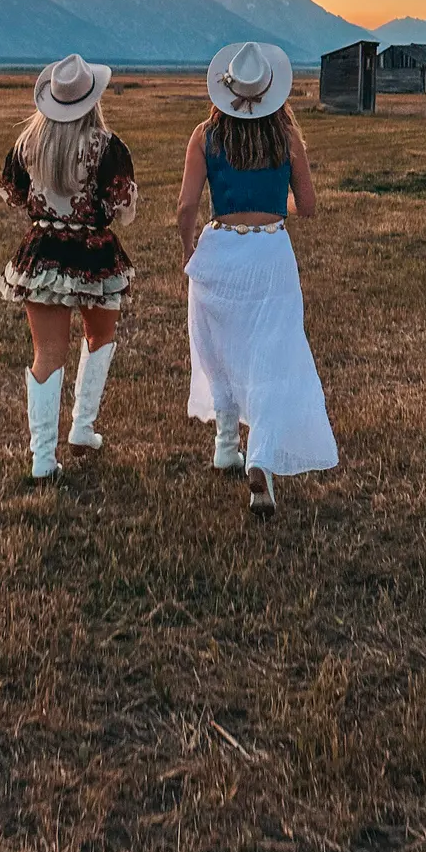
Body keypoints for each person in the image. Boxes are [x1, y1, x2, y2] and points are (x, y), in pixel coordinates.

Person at [176, 41, 337, 517]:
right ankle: (259, 458)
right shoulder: (286, 139)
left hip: (219, 248)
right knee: (269, 357)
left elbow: (186, 207)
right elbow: (307, 206)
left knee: (220, 350)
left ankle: (227, 444)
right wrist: (273, 208)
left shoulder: (204, 136)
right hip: (269, 253)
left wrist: (190, 249)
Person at [0, 54, 137, 480]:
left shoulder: (28, 145)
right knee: (100, 337)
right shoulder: (107, 146)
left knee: (47, 353)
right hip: (95, 255)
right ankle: (82, 426)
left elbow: (11, 194)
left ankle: (42, 458)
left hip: (43, 254)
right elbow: (122, 206)